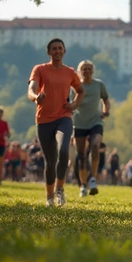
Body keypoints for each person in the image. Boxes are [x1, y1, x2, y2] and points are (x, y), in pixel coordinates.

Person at [28, 38, 84, 207]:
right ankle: (49, 197)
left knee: (64, 150)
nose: (58, 51)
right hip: (44, 119)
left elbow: (80, 91)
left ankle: (60, 190)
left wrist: (74, 104)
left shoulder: (70, 72)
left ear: (64, 51)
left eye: (60, 48)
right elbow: (31, 89)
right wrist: (36, 97)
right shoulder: (40, 69)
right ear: (49, 52)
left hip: (64, 117)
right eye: (54, 49)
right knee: (50, 161)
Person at [73, 60, 110, 197]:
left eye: (89, 69)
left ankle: (93, 178)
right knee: (81, 155)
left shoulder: (99, 85)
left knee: (95, 146)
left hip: (96, 121)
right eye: (84, 69)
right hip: (80, 122)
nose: (87, 71)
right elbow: (72, 104)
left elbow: (105, 99)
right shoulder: (76, 86)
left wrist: (106, 110)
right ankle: (83, 185)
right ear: (80, 71)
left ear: (93, 71)